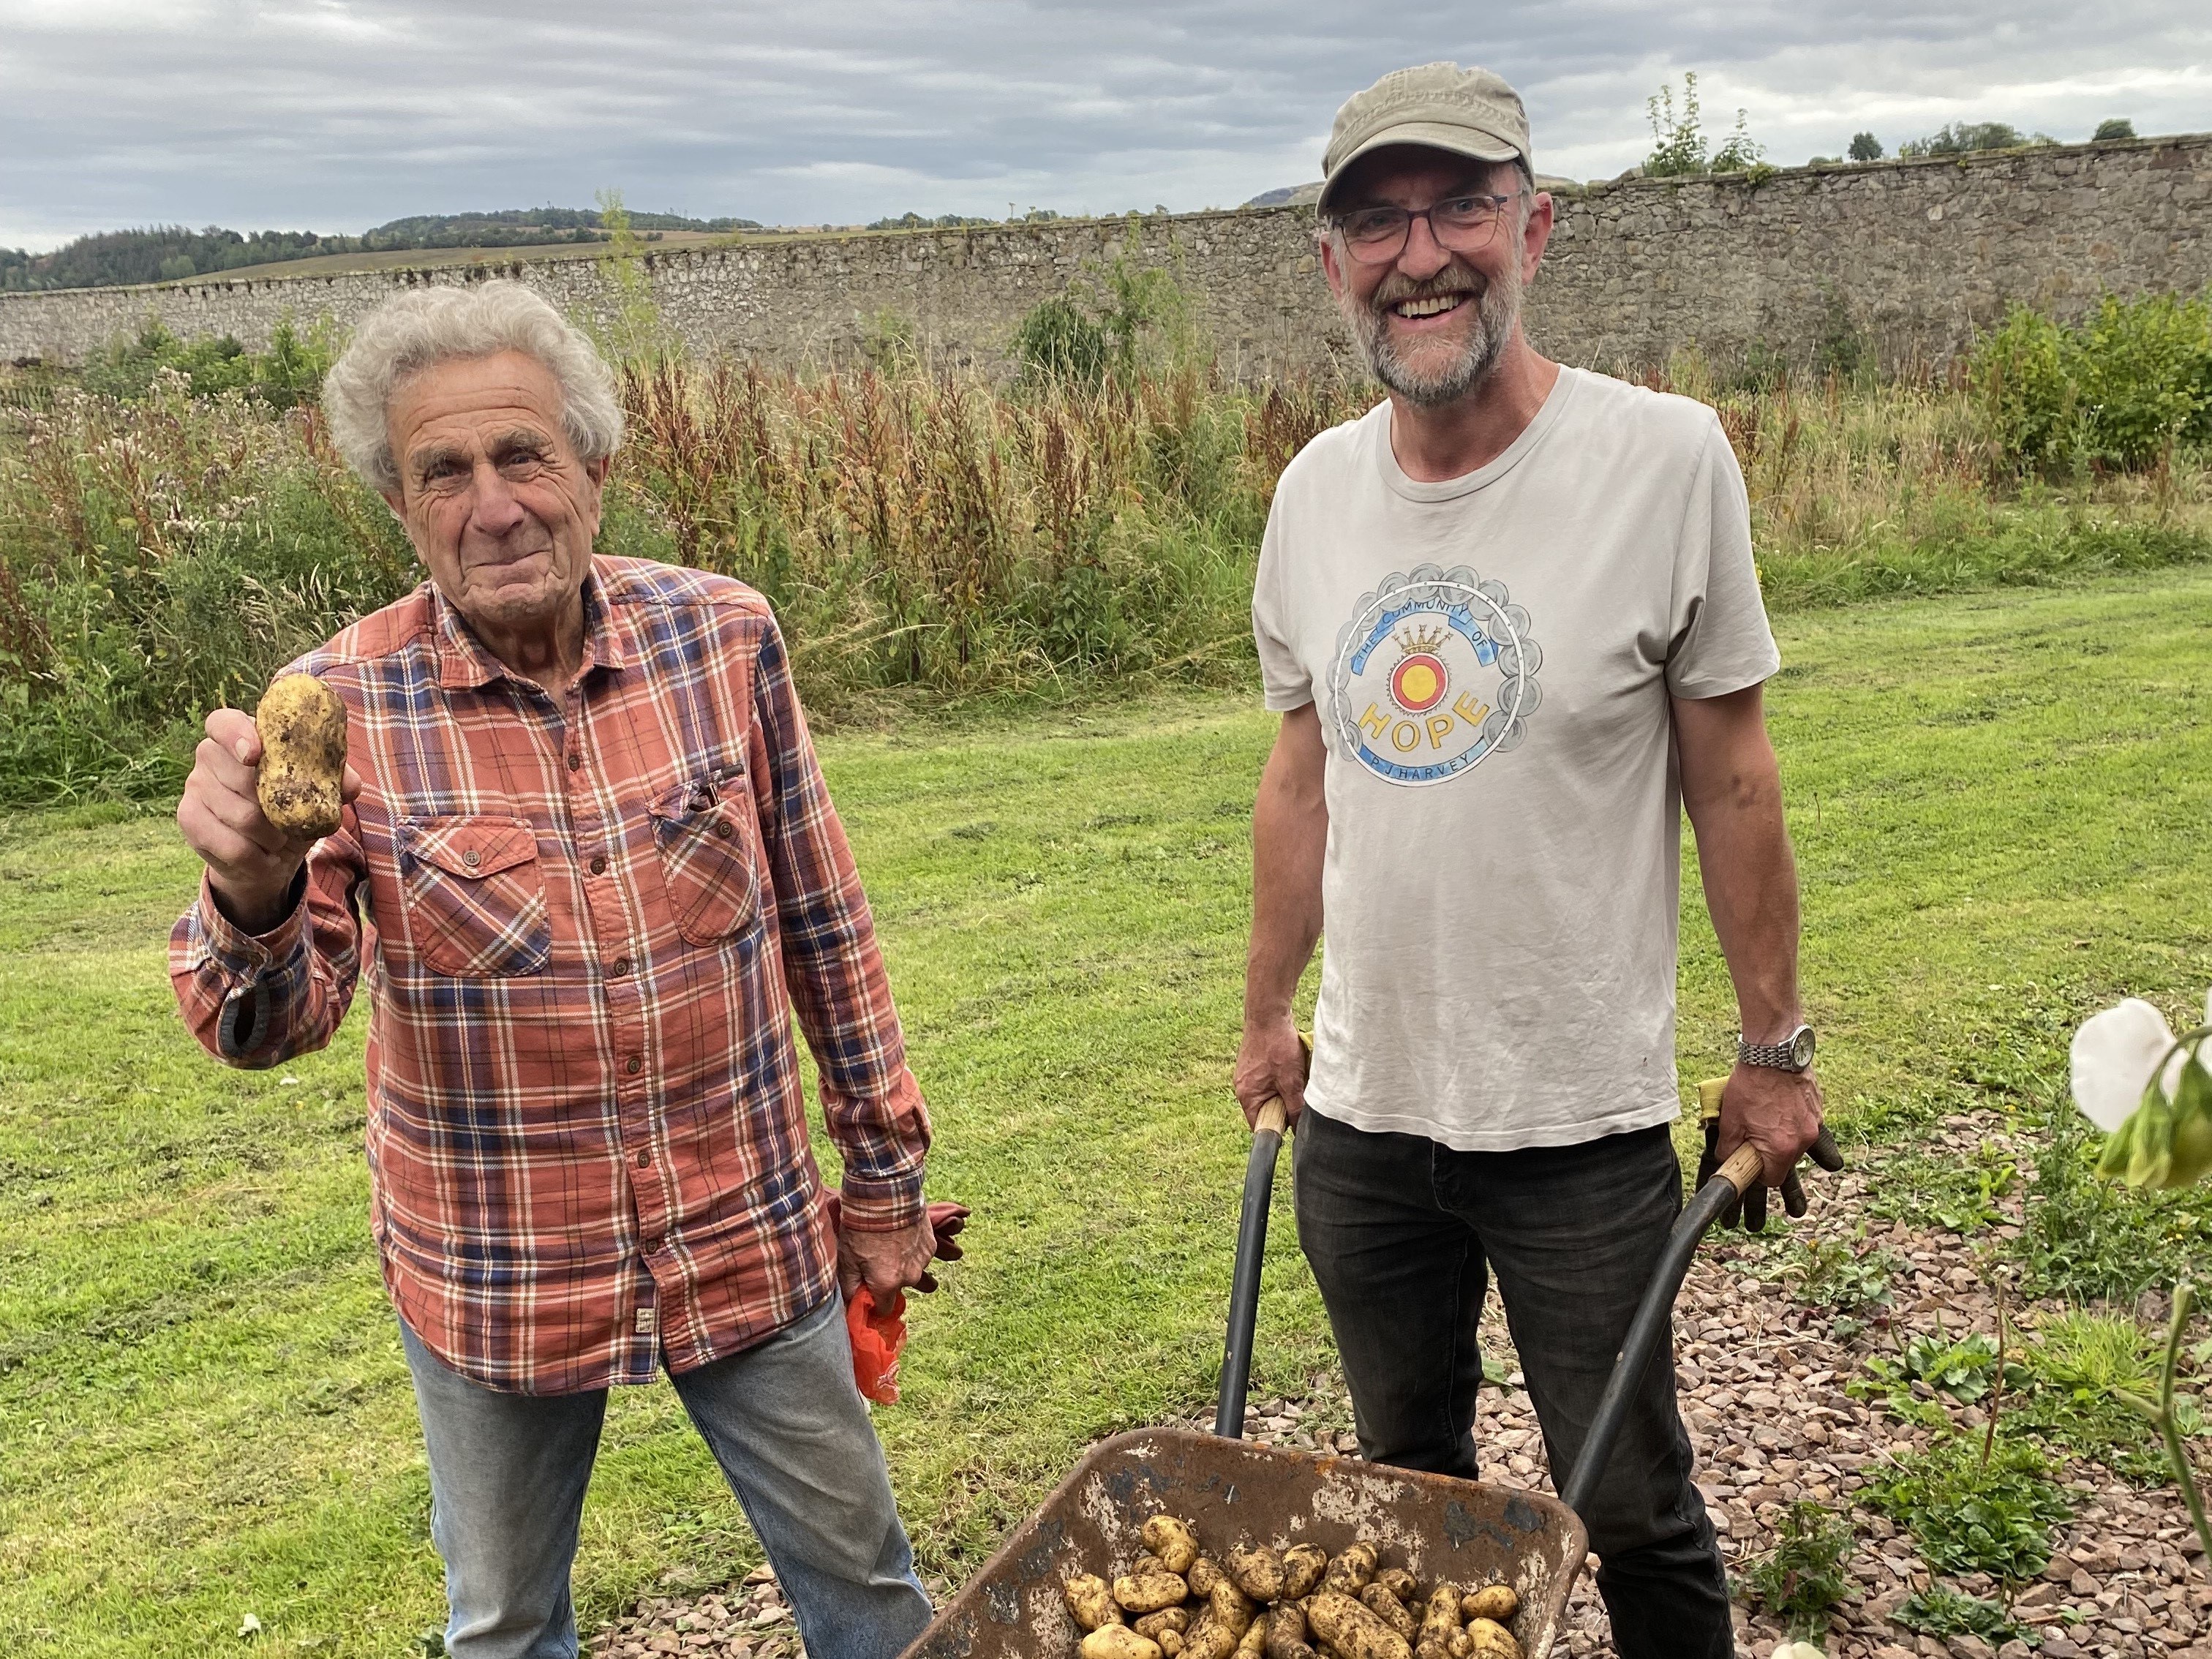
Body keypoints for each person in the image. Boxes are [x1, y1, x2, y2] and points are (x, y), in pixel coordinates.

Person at [170, 280, 945, 1659]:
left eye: (523, 455)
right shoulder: (341, 704)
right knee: (506, 1628)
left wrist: (884, 1184)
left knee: (869, 1591)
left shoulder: (725, 639)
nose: (494, 504)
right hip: (495, 1269)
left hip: (743, 1234)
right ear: (400, 510)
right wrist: (253, 888)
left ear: (594, 465)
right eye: (443, 473)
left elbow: (826, 923)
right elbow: (268, 1024)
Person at [1231, 64, 1829, 1659]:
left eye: (1459, 207)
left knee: (1626, 1502)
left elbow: (1735, 774)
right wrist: (1266, 1012)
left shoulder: (1664, 460)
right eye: (1377, 221)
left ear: (1536, 227)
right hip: (1366, 1117)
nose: (1419, 253)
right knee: (1406, 1487)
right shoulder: (1312, 494)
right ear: (1332, 260)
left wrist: (1774, 1051)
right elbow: (1303, 770)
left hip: (1576, 1121)